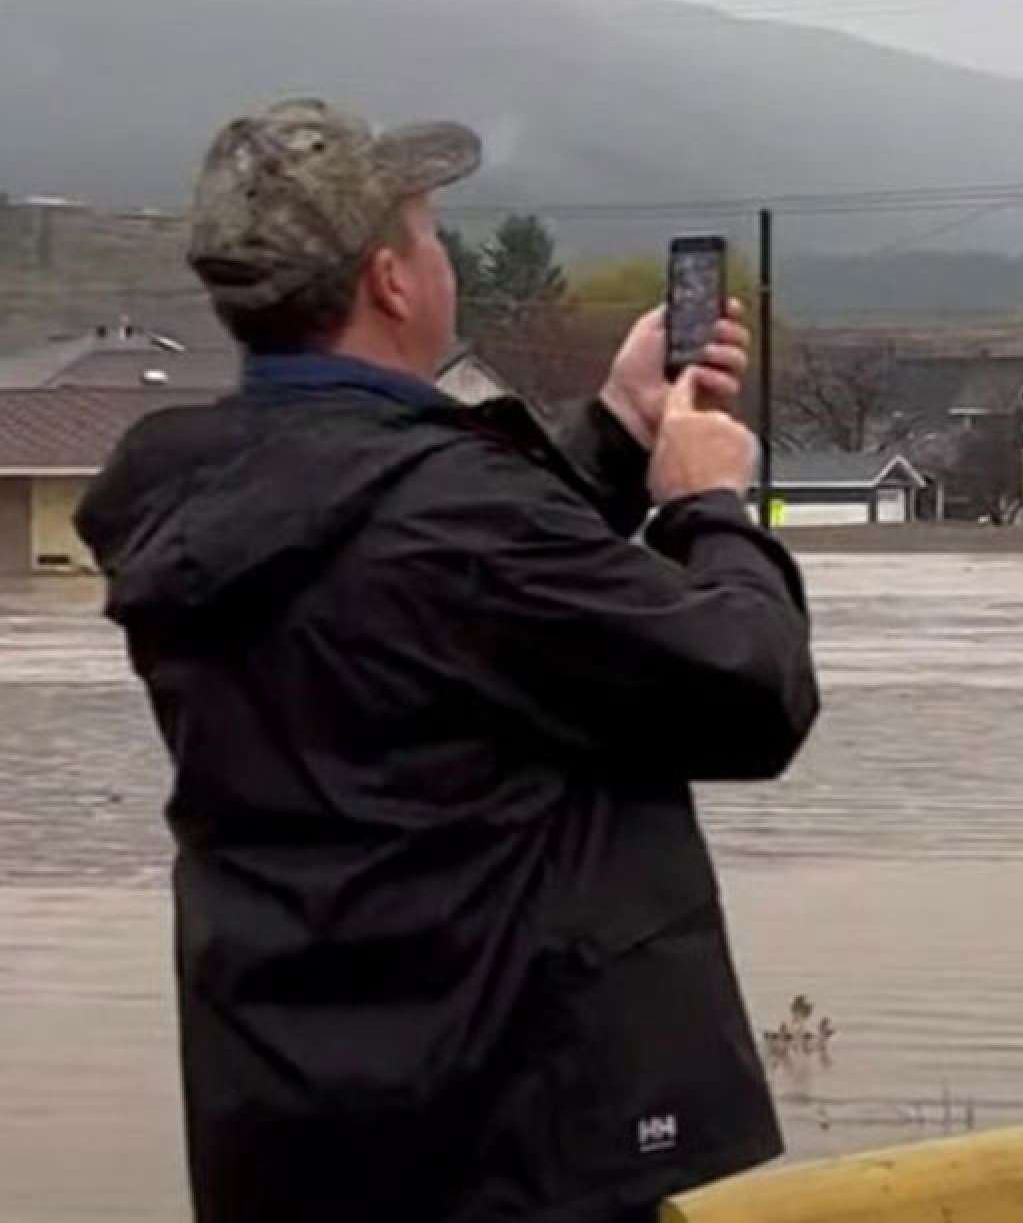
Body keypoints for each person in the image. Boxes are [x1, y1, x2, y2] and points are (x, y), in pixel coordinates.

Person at [74, 98, 819, 1223]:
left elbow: (465, 610)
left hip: (287, 1139)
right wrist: (710, 506)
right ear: (390, 280)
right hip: (512, 1149)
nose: (444, 264)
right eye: (432, 237)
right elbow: (749, 692)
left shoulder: (187, 496)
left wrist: (617, 427)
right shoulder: (454, 518)